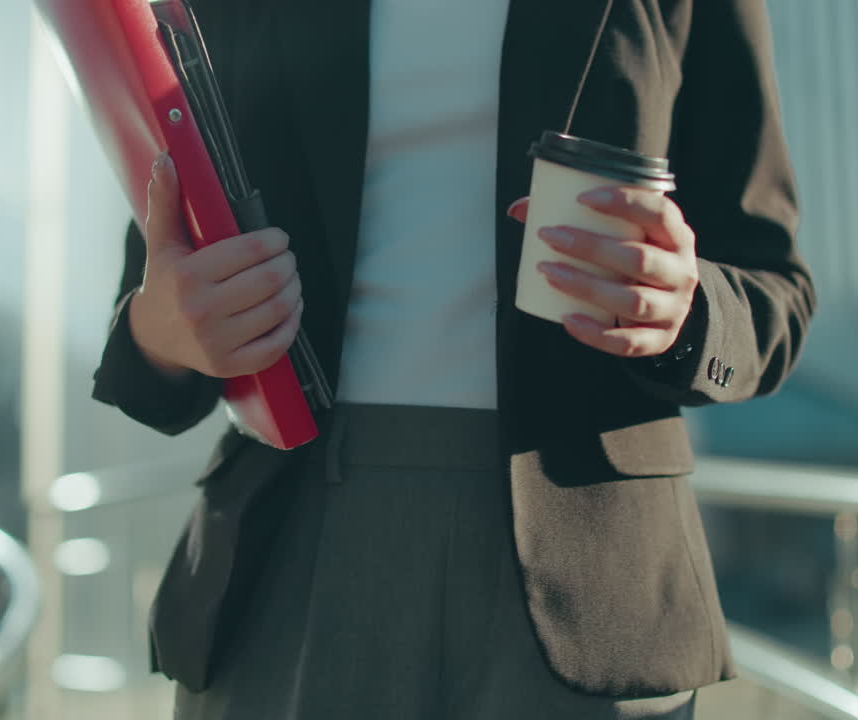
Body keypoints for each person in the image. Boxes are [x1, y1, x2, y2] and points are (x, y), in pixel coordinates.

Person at [92, 0, 815, 717]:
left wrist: (687, 310)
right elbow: (157, 284)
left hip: (596, 570)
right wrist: (166, 332)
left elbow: (773, 289)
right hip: (291, 545)